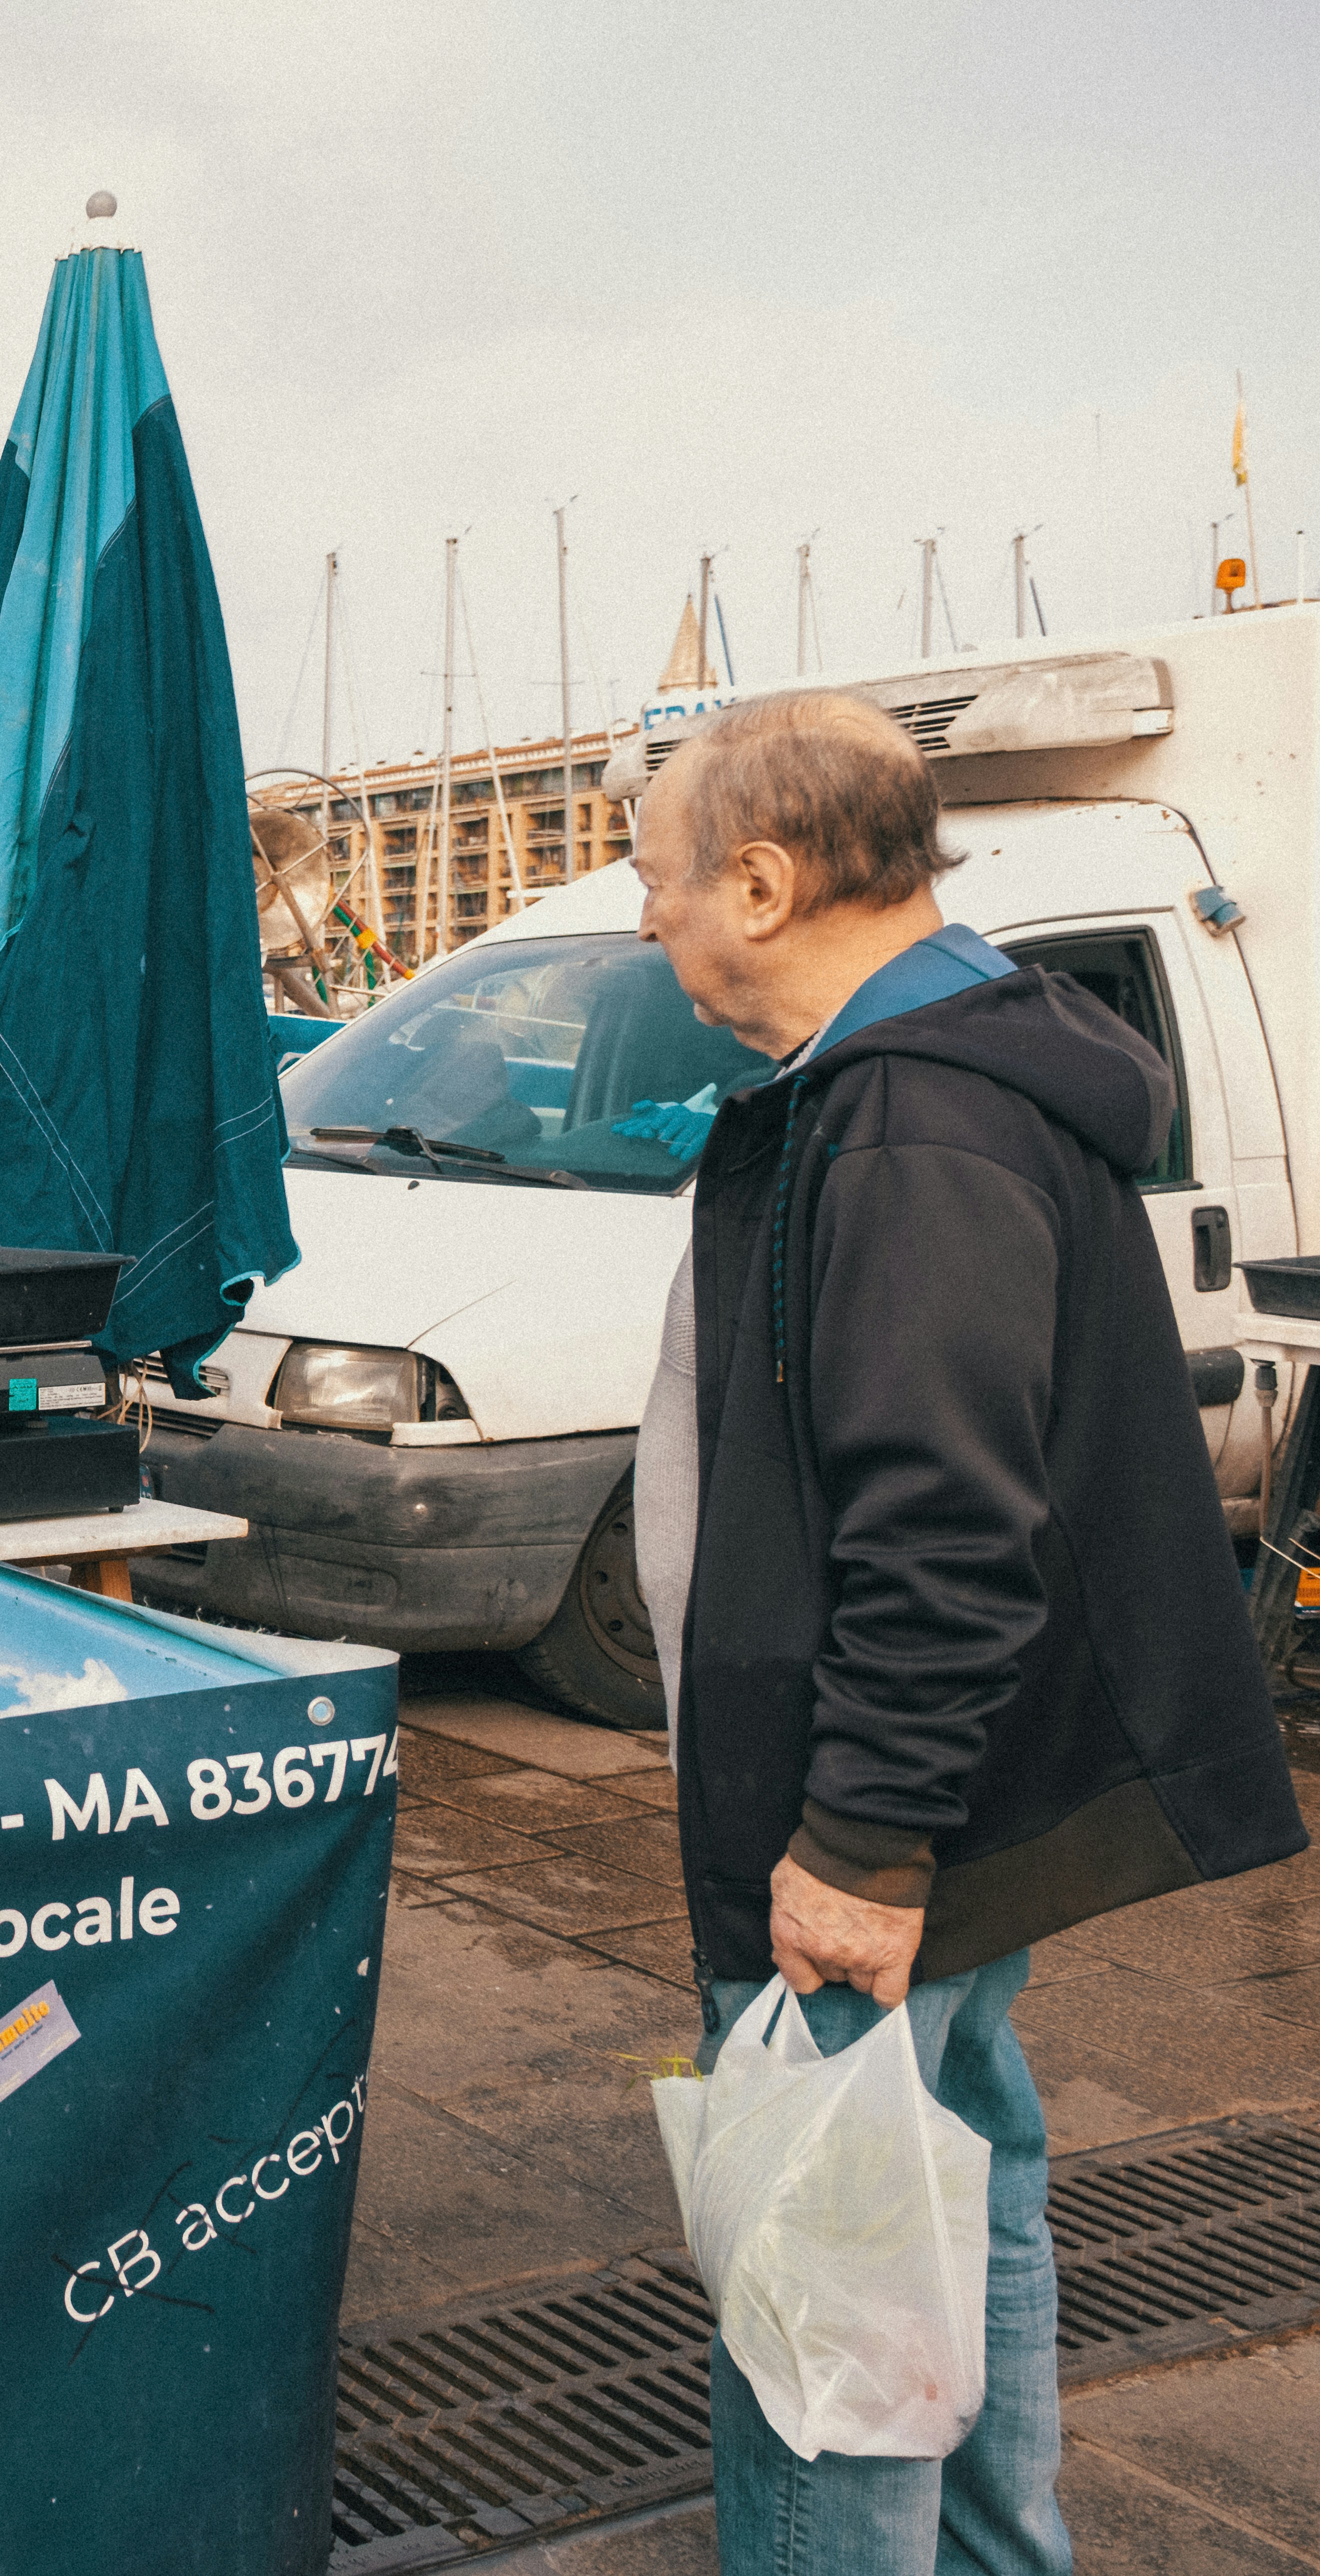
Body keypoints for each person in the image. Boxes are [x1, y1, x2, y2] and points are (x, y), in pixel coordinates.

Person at [630, 690, 1302, 2575]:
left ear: (759, 884)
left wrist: (856, 1838)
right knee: (958, 2191)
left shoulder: (910, 1116)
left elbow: (939, 1523)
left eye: (656, 879)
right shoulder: (925, 1074)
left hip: (864, 1824)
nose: (646, 919)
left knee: (829, 2311)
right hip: (931, 1811)